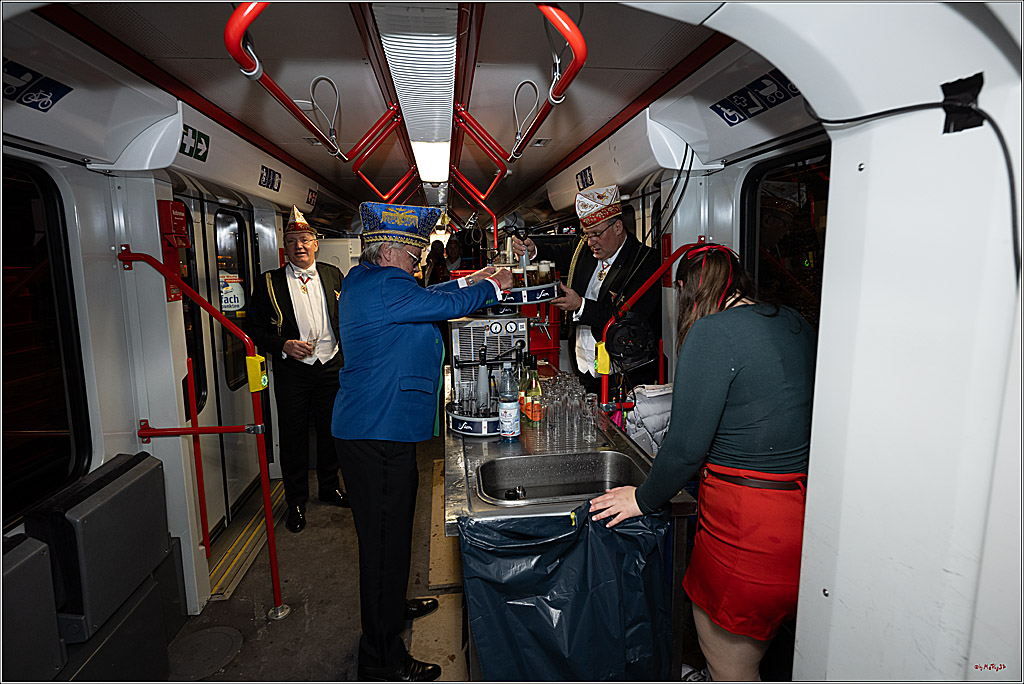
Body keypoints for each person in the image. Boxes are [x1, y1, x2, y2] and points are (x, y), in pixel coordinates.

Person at [589, 244, 816, 682]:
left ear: (689, 291)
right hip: (806, 520)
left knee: (731, 668)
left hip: (745, 530)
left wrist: (641, 499)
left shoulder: (712, 333)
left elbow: (685, 449)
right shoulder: (795, 322)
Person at [332, 202, 512, 682]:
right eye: (413, 257)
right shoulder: (388, 285)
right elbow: (443, 306)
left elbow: (428, 295)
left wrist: (471, 280)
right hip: (377, 431)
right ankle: (380, 658)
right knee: (383, 548)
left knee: (391, 537)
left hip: (377, 427)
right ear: (391, 252)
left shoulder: (369, 281)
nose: (416, 265)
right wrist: (493, 287)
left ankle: (391, 609)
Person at [247, 206, 349, 534]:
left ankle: (329, 486)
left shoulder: (334, 275)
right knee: (293, 436)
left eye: (305, 240)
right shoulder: (269, 282)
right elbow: (254, 329)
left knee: (331, 430)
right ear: (285, 248)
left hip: (331, 364)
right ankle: (295, 501)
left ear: (316, 244)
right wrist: (283, 345)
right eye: (292, 241)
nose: (299, 246)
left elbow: (347, 316)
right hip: (293, 370)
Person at [512, 184, 661, 396]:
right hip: (584, 367)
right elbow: (558, 252)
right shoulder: (584, 248)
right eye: (587, 235)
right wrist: (533, 249)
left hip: (622, 373)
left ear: (618, 227)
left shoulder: (645, 262)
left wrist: (580, 306)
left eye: (596, 234)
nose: (591, 242)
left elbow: (629, 317)